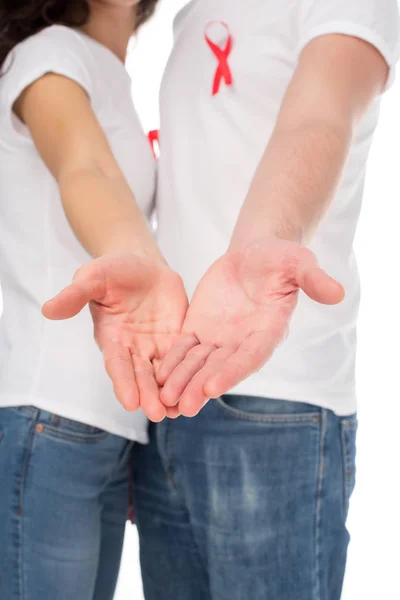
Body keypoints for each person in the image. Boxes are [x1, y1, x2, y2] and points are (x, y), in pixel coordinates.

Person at [130, 1, 400, 599]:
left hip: (276, 400)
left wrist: (262, 242)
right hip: (169, 400)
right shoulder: (191, 14)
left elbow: (321, 116)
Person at [0, 1, 189, 598]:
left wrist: (128, 432)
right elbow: (87, 169)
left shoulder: (111, 74)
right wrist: (138, 260)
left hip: (101, 426)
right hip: (47, 418)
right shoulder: (49, 56)